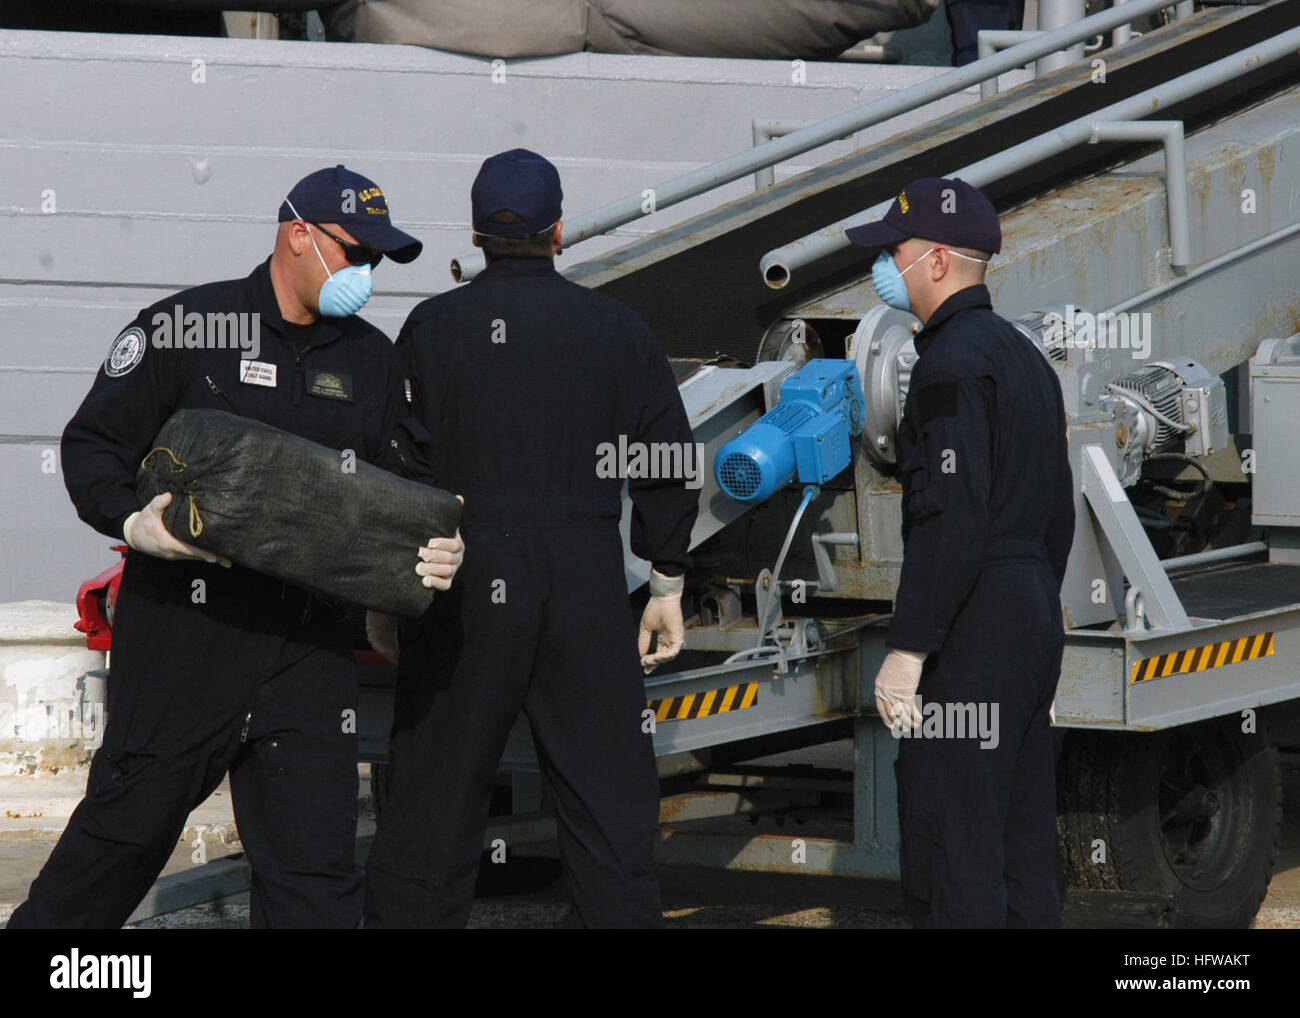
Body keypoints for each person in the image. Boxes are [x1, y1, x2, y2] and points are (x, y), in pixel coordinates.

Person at [8, 165, 465, 929]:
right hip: (187, 637)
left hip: (307, 648)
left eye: (378, 262)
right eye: (356, 254)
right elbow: (92, 446)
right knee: (121, 839)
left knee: (315, 870)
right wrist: (132, 523)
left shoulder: (371, 361)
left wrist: (432, 545)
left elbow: (403, 483)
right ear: (298, 236)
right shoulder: (187, 329)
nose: (366, 275)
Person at [363, 148, 699, 929]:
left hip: (465, 578)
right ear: (558, 232)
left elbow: (395, 466)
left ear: (478, 235)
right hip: (584, 577)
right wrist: (667, 578)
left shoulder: (430, 328)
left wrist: (391, 592)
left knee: (434, 804)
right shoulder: (616, 329)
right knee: (608, 805)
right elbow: (666, 460)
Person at [846, 177, 1074, 928]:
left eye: (896, 252)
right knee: (1018, 831)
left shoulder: (946, 368)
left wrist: (911, 647)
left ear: (937, 261)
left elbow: (950, 519)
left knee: (954, 831)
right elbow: (1057, 511)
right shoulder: (1025, 359)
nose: (886, 267)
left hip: (974, 619)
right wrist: (1028, 603)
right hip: (1030, 604)